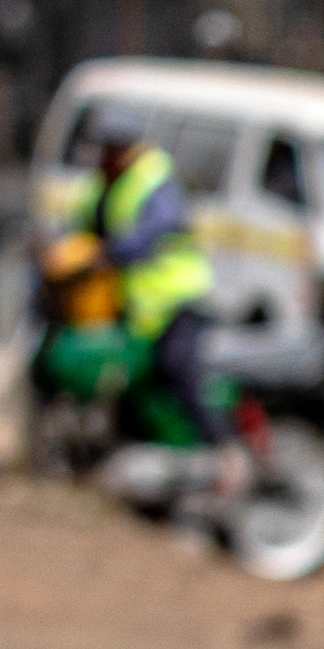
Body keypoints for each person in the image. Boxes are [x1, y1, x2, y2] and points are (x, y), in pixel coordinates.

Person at [61, 104, 235, 488]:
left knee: (178, 370)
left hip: (177, 300)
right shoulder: (100, 184)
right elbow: (77, 229)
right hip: (133, 308)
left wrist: (113, 252)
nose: (108, 155)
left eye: (115, 147)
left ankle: (225, 453)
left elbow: (157, 227)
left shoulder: (154, 178)